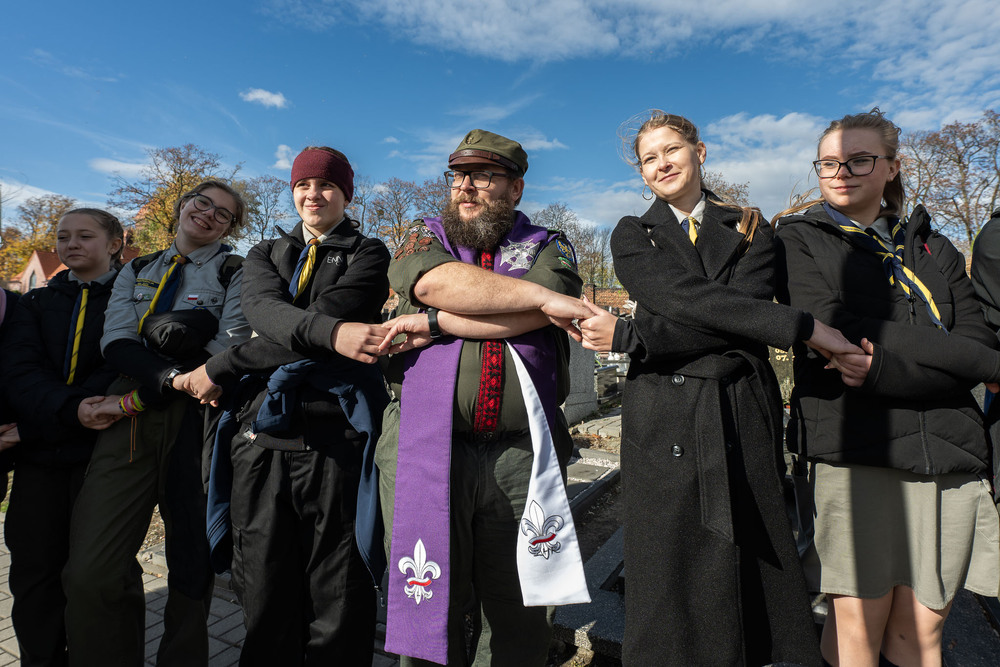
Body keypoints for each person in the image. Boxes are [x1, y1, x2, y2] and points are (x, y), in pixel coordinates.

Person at [576, 111, 856, 666]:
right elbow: (695, 304)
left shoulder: (751, 227)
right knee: (668, 567)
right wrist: (797, 328)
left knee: (747, 564)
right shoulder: (633, 233)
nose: (661, 165)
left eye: (670, 151)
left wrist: (634, 337)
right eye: (648, 159)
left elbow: (742, 313)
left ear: (699, 152)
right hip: (664, 411)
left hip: (736, 409)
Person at [774, 109, 1000, 667]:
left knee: (922, 631)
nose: (840, 171)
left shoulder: (934, 247)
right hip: (858, 449)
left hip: (948, 453)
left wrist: (881, 369)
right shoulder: (797, 241)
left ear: (892, 167)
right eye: (828, 162)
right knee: (857, 625)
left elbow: (979, 349)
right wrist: (944, 359)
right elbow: (830, 324)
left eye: (858, 159)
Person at [375, 129, 593, 666]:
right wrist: (539, 302)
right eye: (457, 175)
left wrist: (434, 323)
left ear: (516, 189)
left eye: (483, 175)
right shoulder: (422, 235)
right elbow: (433, 284)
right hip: (424, 443)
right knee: (426, 600)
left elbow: (554, 303)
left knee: (519, 608)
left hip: (523, 453)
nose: (465, 187)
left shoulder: (548, 243)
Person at [191, 146, 392, 664]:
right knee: (262, 584)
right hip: (262, 436)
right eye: (303, 185)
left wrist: (220, 367)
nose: (313, 194)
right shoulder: (265, 252)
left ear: (346, 194)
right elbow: (264, 311)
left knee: (338, 592)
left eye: (326, 185)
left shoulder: (369, 252)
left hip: (335, 439)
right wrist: (329, 334)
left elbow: (314, 321)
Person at [62, 181, 251, 666]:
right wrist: (170, 373)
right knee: (91, 571)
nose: (208, 215)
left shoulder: (237, 271)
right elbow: (117, 342)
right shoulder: (138, 268)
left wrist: (179, 352)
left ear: (232, 228)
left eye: (224, 215)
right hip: (131, 419)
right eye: (201, 203)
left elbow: (225, 348)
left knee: (191, 564)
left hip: (197, 424)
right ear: (182, 207)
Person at [0, 209, 124, 665]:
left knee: (97, 577)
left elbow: (117, 371)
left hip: (101, 459)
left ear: (115, 243)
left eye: (85, 236)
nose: (71, 244)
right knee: (34, 573)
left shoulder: (133, 303)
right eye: (62, 236)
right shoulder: (33, 304)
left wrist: (71, 410)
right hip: (38, 459)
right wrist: (69, 409)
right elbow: (19, 372)